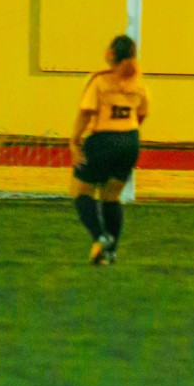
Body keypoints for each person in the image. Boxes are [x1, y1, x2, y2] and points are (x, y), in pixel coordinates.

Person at [69, 34, 149, 265]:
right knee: (111, 197)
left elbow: (85, 113)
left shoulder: (100, 81)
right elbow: (142, 114)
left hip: (103, 140)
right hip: (130, 142)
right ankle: (110, 252)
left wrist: (74, 141)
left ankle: (100, 236)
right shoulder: (138, 83)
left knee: (80, 192)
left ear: (111, 54)